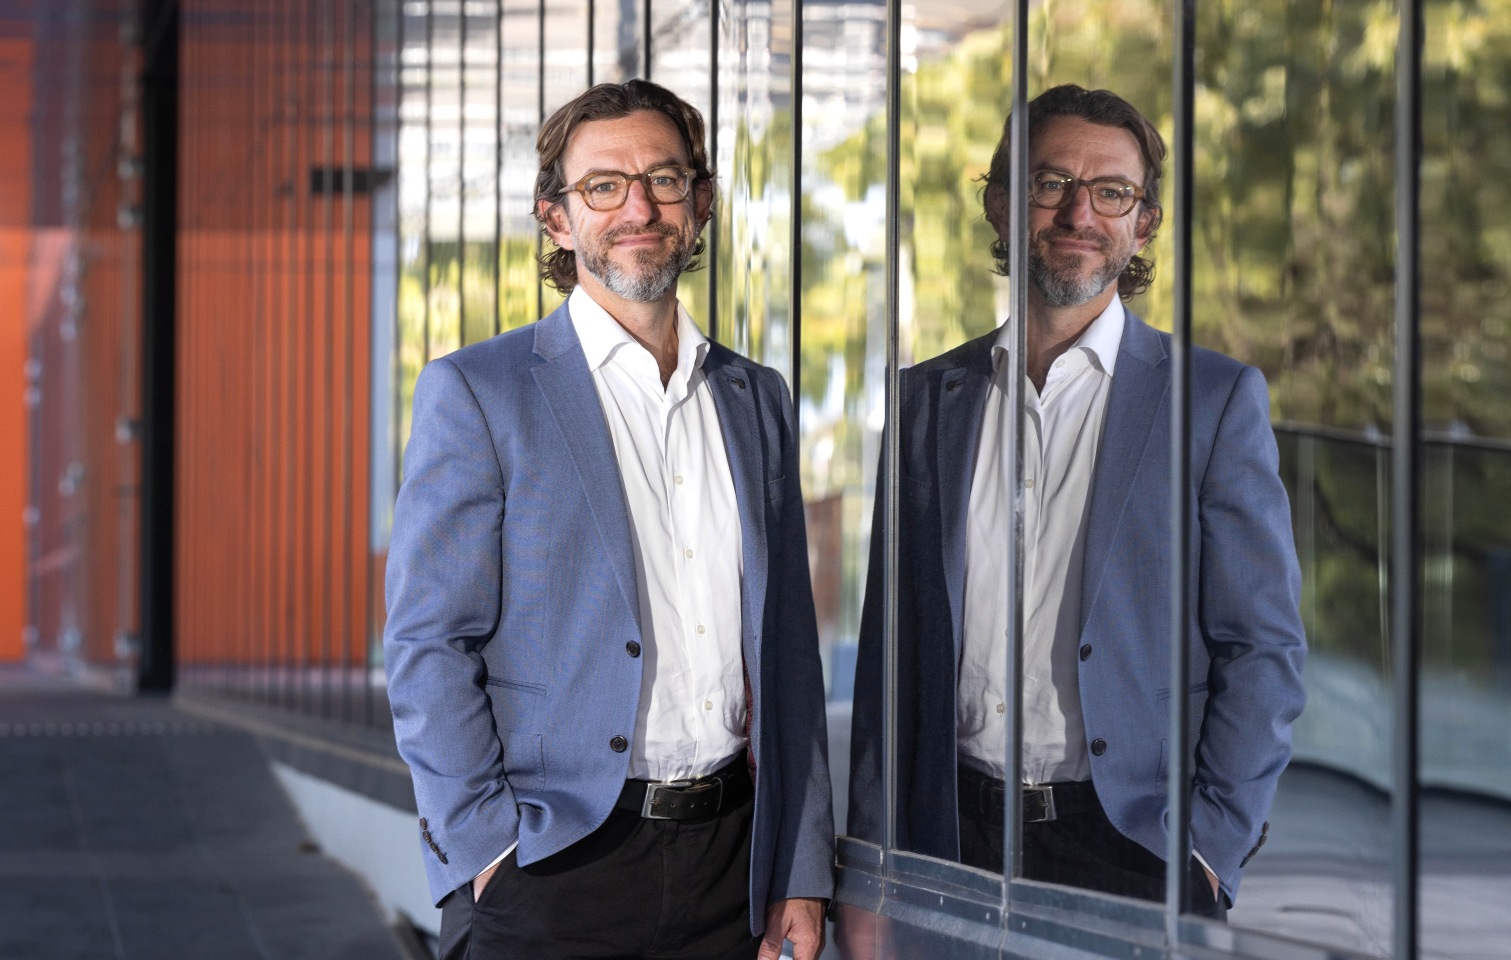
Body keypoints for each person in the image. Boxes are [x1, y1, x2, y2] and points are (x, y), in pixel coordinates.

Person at [384, 79, 833, 960]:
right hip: (552, 865)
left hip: (732, 868)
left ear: (700, 205)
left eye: (663, 180)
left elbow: (787, 654)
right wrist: (486, 851)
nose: (638, 208)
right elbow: (428, 643)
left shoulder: (756, 399)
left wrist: (800, 862)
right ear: (556, 219)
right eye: (603, 186)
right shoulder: (480, 392)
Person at [847, 84, 1306, 919]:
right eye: (1049, 183)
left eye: (1111, 192)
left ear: (1144, 223)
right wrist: (874, 864)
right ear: (998, 204)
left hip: (1134, 847)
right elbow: (890, 658)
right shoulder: (923, 402)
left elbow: (1261, 647)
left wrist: (1209, 847)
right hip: (947, 840)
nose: (1077, 213)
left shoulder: (1210, 403)